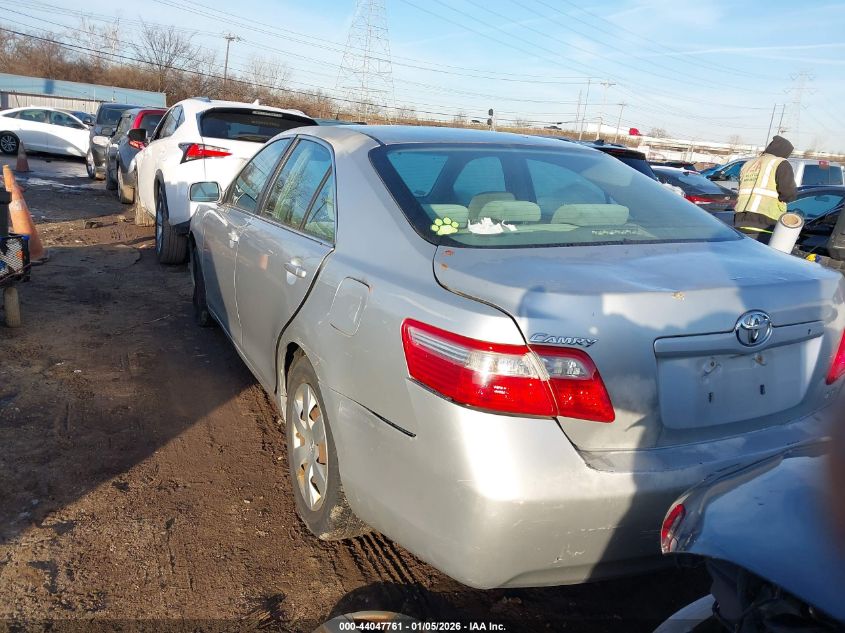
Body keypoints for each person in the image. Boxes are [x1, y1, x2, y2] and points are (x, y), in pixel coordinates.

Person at [733, 135, 797, 242]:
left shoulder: (748, 164)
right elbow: (788, 193)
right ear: (784, 152)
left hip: (740, 219)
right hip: (765, 221)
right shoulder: (780, 163)